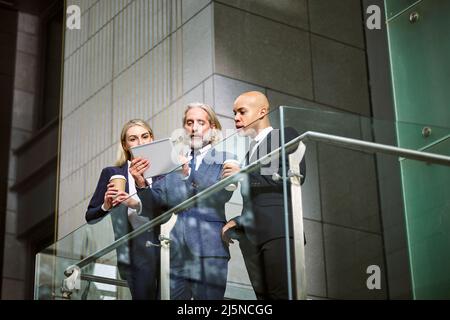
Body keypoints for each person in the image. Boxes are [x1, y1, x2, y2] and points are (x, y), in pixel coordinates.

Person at [134, 102, 235, 300]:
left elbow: (221, 195)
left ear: (212, 128)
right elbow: (155, 206)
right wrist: (142, 184)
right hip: (175, 252)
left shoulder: (225, 159)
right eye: (189, 122)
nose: (194, 127)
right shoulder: (172, 162)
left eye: (200, 122)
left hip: (209, 248)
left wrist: (188, 175)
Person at [221, 91, 306, 300]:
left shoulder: (284, 134)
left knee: (282, 295)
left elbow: (292, 175)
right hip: (252, 238)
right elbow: (256, 200)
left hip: (279, 231)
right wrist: (237, 221)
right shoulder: (250, 152)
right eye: (234, 113)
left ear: (262, 111)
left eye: (242, 111)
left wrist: (244, 173)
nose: (236, 118)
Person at [85, 119, 161, 300]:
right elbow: (90, 216)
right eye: (133, 139)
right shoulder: (113, 173)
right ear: (125, 145)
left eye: (145, 136)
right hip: (135, 251)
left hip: (167, 246)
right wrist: (106, 206)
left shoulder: (163, 169)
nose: (140, 143)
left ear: (152, 139)